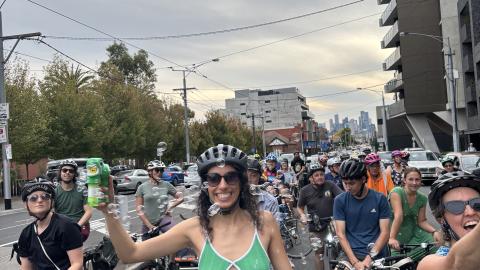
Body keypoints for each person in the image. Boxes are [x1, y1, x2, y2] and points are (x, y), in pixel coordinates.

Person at [98, 144, 292, 270]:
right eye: (213, 178)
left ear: (241, 182)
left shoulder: (265, 221)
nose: (222, 185)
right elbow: (130, 254)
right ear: (206, 186)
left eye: (230, 177)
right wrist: (109, 211)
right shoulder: (195, 228)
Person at [333, 159, 391, 270]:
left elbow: (385, 232)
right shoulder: (340, 201)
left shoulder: (380, 199)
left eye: (352, 183)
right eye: (345, 183)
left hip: (376, 252)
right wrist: (355, 262)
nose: (348, 187)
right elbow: (341, 234)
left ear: (363, 179)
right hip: (351, 253)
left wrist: (369, 259)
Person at [417, 171, 480, 270]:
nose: (470, 212)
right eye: (456, 206)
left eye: (477, 204)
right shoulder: (429, 264)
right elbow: (458, 263)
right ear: (441, 219)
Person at [18, 182, 83, 269]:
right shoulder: (26, 234)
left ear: (51, 201)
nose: (40, 200)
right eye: (33, 198)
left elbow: (77, 264)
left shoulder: (67, 226)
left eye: (45, 196)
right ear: (26, 205)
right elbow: (26, 268)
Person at [388, 167, 441, 262]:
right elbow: (398, 216)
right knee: (398, 263)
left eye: (417, 179)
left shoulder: (422, 198)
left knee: (436, 247)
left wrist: (434, 231)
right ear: (404, 180)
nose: (414, 183)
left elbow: (422, 221)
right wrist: (392, 238)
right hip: (396, 234)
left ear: (421, 181)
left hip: (415, 233)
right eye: (411, 179)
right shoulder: (397, 192)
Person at [297, 163, 343, 270]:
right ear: (311, 178)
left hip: (332, 223)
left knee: (339, 249)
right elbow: (299, 207)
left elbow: (342, 197)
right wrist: (303, 215)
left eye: (322, 174)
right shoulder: (304, 191)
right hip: (315, 225)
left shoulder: (330, 185)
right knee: (319, 253)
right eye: (316, 175)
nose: (320, 177)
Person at [136, 160, 184, 240]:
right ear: (150, 171)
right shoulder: (142, 187)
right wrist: (150, 226)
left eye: (162, 170)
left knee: (176, 236)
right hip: (148, 222)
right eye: (157, 170)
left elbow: (181, 197)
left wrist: (170, 207)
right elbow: (139, 210)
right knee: (147, 250)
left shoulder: (166, 184)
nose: (160, 173)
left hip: (163, 218)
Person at [54, 159, 92, 242]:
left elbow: (88, 212)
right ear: (60, 173)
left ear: (74, 174)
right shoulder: (54, 192)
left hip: (80, 226)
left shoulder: (82, 189)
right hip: (62, 226)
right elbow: (51, 212)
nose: (67, 172)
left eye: (71, 171)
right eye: (64, 170)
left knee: (73, 242)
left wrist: (76, 226)